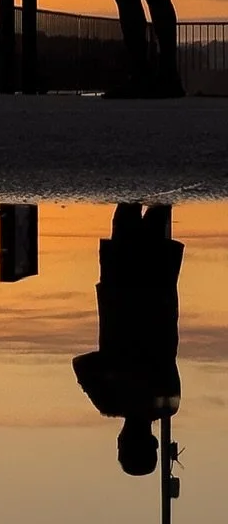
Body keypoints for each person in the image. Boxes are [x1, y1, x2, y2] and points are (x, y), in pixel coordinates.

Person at [72, 203, 181, 476]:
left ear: (154, 443)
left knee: (156, 219)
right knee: (126, 220)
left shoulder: (169, 404)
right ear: (122, 442)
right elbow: (82, 365)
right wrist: (113, 365)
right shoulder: (108, 401)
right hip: (120, 300)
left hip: (158, 300)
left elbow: (166, 365)